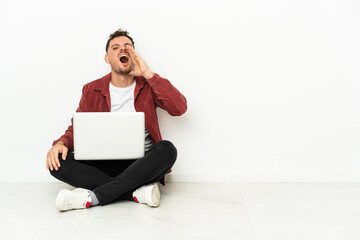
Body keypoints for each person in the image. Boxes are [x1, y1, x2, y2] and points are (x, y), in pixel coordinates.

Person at [46, 29, 187, 211]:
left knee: (167, 149)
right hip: (102, 165)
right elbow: (78, 127)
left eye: (128, 46)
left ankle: (94, 197)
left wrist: (148, 73)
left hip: (140, 164)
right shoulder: (91, 89)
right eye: (116, 47)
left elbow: (179, 108)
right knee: (57, 162)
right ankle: (135, 193)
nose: (123, 50)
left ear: (134, 55)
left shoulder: (148, 85)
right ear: (107, 58)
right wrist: (60, 143)